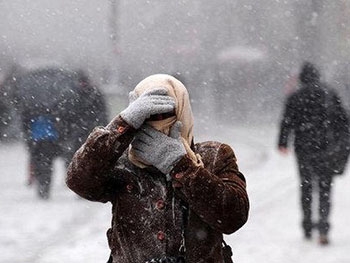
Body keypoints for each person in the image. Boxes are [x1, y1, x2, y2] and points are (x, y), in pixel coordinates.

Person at [66, 74, 249, 263]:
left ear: (181, 111)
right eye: (147, 116)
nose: (156, 122)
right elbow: (78, 180)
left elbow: (233, 217)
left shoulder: (214, 156)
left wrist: (180, 165)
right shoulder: (120, 161)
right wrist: (123, 124)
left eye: (165, 114)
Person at [278, 62, 350, 245]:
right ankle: (324, 226)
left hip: (304, 149)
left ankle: (307, 226)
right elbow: (343, 119)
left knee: (306, 186)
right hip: (326, 148)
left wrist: (283, 142)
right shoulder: (329, 93)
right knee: (325, 188)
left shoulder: (295, 97)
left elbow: (287, 121)